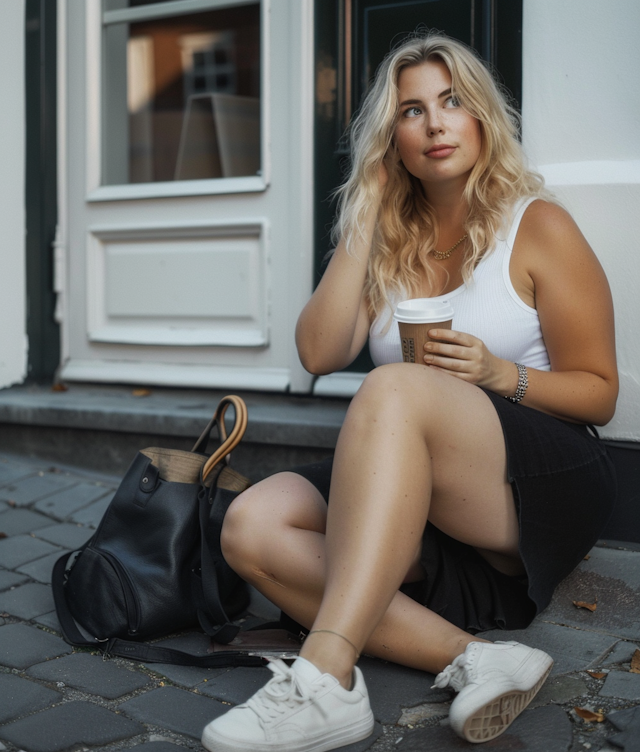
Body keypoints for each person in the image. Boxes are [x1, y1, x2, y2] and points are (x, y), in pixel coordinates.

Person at [201, 32, 618, 751]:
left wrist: (498, 375)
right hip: (420, 502)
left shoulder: (537, 225)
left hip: (537, 486)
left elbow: (601, 394)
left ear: (482, 117)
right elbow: (317, 352)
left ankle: (326, 674)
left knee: (394, 388)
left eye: (453, 102)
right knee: (251, 523)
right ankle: (480, 659)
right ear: (392, 138)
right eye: (412, 110)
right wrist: (366, 214)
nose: (435, 123)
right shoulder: (388, 237)